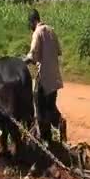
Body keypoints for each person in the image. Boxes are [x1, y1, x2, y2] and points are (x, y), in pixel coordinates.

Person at [23, 9, 67, 143]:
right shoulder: (51, 30)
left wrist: (22, 61)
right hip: (54, 77)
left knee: (40, 108)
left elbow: (33, 55)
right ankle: (60, 124)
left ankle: (45, 140)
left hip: (43, 77)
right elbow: (59, 51)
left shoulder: (38, 32)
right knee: (51, 107)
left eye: (30, 23)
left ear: (32, 21)